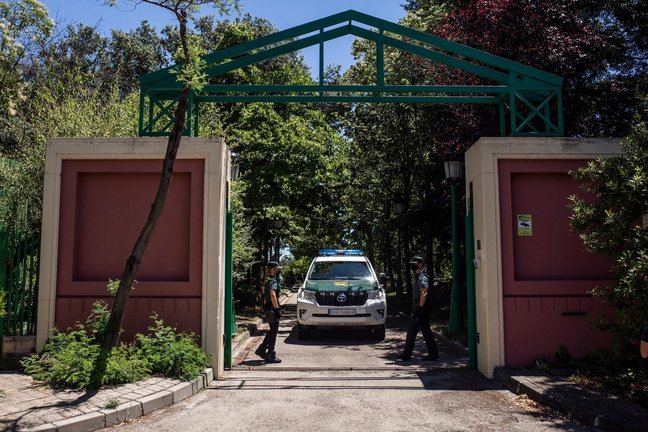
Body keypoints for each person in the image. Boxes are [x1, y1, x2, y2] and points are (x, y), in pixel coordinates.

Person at [397, 256, 439, 361]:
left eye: (414, 264)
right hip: (422, 307)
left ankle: (407, 354)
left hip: (421, 307)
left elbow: (424, 291)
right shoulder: (420, 275)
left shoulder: (422, 276)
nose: (412, 266)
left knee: (412, 330)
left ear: (420, 264)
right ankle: (433, 354)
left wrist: (420, 307)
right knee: (426, 330)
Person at [254, 261, 282, 363]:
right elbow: (272, 295)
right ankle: (270, 353)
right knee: (273, 331)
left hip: (268, 306)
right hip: (272, 307)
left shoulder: (267, 280)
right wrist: (277, 308)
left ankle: (262, 349)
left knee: (272, 330)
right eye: (276, 269)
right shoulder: (273, 281)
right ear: (272, 269)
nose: (278, 270)